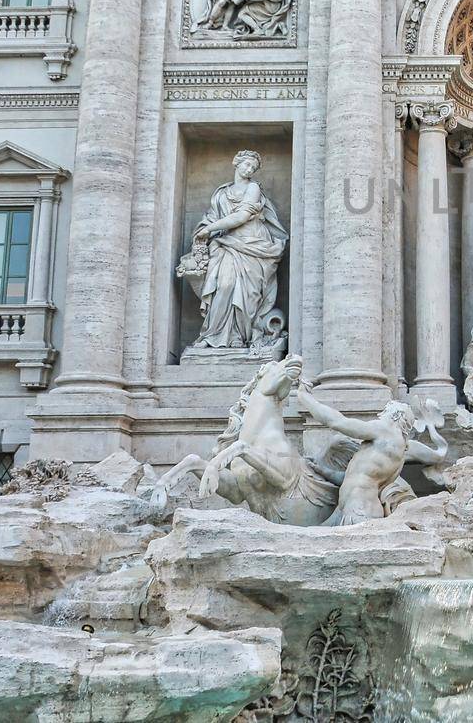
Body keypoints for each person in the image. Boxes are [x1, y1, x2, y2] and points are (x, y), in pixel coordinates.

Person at [292, 380, 448, 526]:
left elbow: (337, 422)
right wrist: (323, 471)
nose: (381, 416)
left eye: (385, 412)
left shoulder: (384, 430)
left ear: (395, 415)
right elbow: (356, 478)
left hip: (359, 510)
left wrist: (305, 398)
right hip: (354, 509)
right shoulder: (403, 448)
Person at [188, 151, 288, 350]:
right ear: (236, 163)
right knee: (224, 285)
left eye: (253, 168)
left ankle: (239, 337)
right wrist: (204, 229)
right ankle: (213, 335)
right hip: (226, 243)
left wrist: (209, 229)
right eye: (247, 165)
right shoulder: (221, 193)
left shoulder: (253, 188)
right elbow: (212, 216)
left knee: (247, 292)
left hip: (252, 245)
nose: (249, 169)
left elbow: (241, 217)